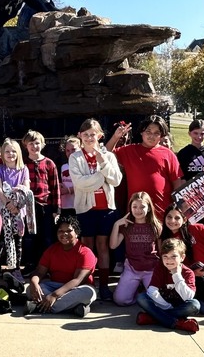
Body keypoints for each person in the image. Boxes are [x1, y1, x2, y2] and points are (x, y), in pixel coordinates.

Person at [68, 118, 123, 301]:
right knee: (87, 246)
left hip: (106, 208)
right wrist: (102, 176)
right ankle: (87, 283)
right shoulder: (75, 157)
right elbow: (81, 184)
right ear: (80, 136)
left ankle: (105, 286)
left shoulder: (109, 156)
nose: (90, 138)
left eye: (93, 134)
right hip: (86, 208)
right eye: (86, 135)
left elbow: (116, 180)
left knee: (103, 246)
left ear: (100, 135)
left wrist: (103, 163)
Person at [107, 115, 184, 218]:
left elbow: (177, 183)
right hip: (136, 212)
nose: (151, 136)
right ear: (141, 132)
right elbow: (106, 154)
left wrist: (177, 207)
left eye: (156, 133)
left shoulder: (169, 154)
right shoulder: (129, 150)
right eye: (148, 132)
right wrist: (116, 137)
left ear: (161, 135)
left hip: (161, 211)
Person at [26, 215, 97, 317]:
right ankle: (73, 308)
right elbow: (39, 272)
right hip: (55, 286)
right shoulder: (52, 250)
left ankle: (39, 307)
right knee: (30, 289)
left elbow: (77, 281)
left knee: (88, 293)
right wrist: (34, 282)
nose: (64, 234)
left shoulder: (85, 252)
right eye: (61, 231)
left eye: (69, 231)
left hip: (77, 288)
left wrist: (54, 296)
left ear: (76, 233)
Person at [135, 238, 201, 334]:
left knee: (195, 305)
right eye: (165, 256)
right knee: (141, 298)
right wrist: (167, 307)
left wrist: (177, 275)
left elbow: (188, 297)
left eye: (173, 256)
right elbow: (152, 291)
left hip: (179, 306)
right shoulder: (160, 268)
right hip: (162, 304)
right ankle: (177, 323)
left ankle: (154, 318)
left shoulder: (188, 272)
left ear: (182, 257)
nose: (169, 260)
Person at [109, 192, 160, 306]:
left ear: (149, 208)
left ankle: (143, 289)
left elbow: (161, 252)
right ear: (130, 208)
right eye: (135, 207)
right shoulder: (127, 226)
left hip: (151, 269)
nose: (138, 210)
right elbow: (113, 245)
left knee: (157, 301)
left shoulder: (155, 227)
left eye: (142, 207)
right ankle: (137, 292)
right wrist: (117, 224)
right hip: (132, 268)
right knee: (120, 300)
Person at [0, 138, 32, 277]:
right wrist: (8, 204)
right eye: (7, 151)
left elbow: (26, 187)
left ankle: (16, 268)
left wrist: (17, 205)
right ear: (2, 153)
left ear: (19, 153)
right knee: (3, 238)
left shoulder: (23, 169)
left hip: (19, 209)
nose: (10, 154)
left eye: (14, 151)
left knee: (18, 238)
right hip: (4, 209)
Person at [23, 129, 59, 269]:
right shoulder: (23, 164)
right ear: (26, 146)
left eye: (37, 143)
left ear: (43, 144)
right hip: (28, 206)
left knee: (47, 237)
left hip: (46, 205)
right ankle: (29, 264)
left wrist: (57, 209)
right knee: (29, 237)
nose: (34, 146)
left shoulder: (49, 163)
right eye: (30, 143)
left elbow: (55, 187)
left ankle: (47, 266)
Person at [58, 136, 80, 217]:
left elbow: (84, 185)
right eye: (67, 150)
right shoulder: (63, 167)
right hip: (65, 205)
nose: (70, 153)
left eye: (73, 149)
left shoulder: (83, 166)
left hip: (78, 205)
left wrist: (68, 190)